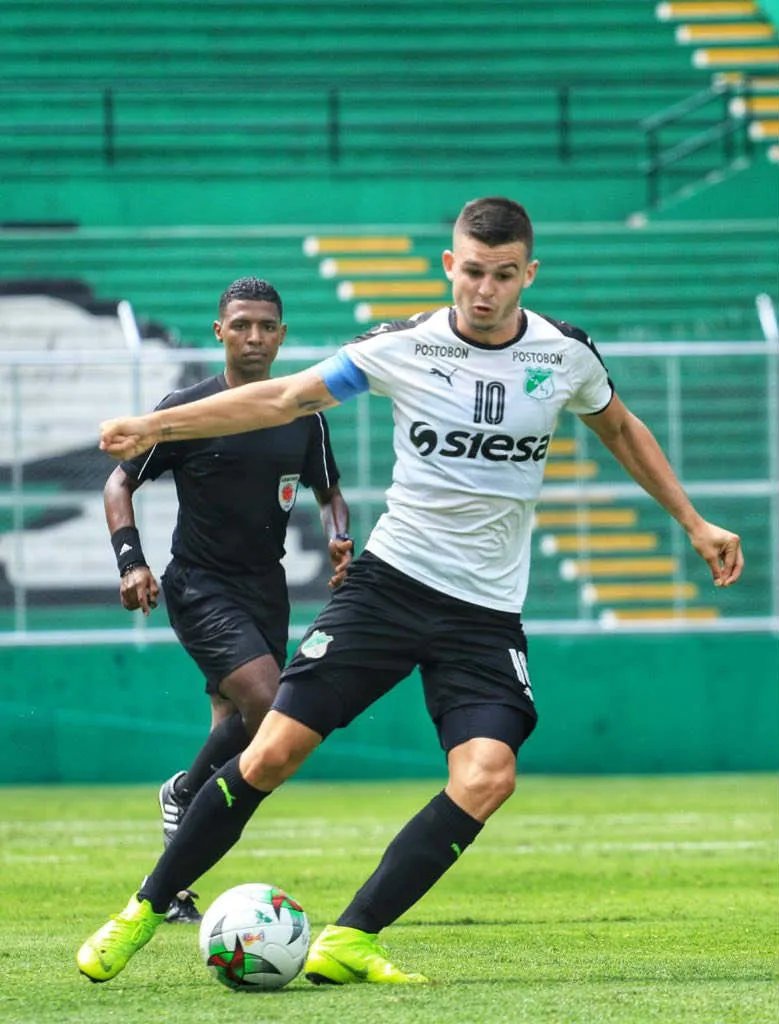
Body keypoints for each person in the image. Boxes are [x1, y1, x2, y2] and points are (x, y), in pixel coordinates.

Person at [78, 197, 743, 986]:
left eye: (503, 275)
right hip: (389, 588)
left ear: (528, 273)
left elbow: (622, 427)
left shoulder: (565, 356)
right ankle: (144, 909)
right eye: (471, 271)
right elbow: (283, 397)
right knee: (273, 751)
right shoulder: (405, 347)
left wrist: (692, 521)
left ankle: (351, 937)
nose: (484, 290)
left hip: (485, 612)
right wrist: (160, 428)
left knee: (487, 776)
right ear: (448, 267)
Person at [103, 275, 352, 924]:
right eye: (240, 324)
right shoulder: (189, 411)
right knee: (269, 707)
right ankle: (185, 792)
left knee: (237, 735)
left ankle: (176, 881)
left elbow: (330, 495)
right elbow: (117, 485)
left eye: (266, 325)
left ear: (282, 335)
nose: (254, 336)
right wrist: (131, 561)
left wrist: (340, 540)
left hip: (265, 589)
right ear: (219, 331)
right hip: (199, 585)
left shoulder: (302, 413)